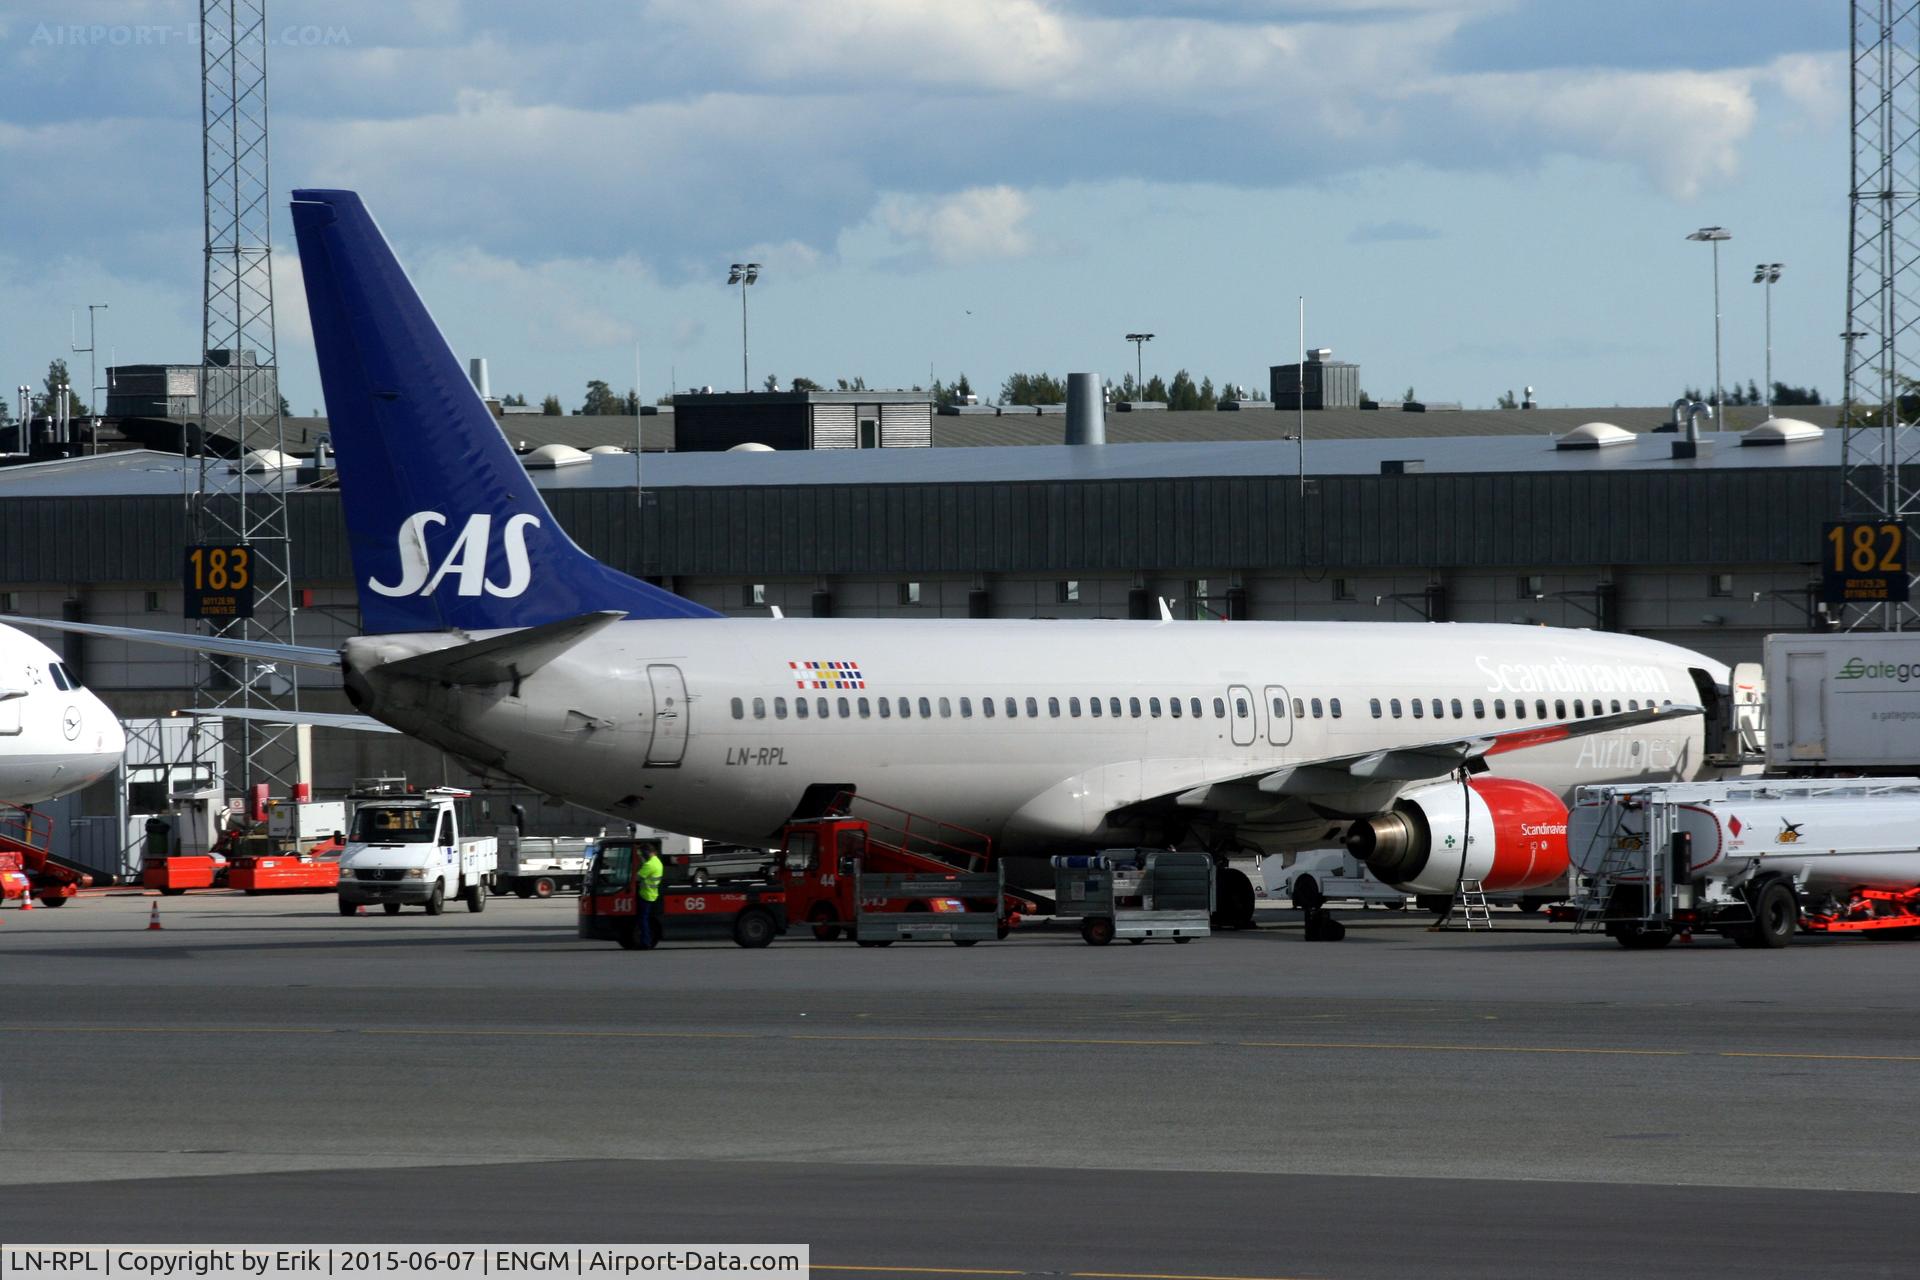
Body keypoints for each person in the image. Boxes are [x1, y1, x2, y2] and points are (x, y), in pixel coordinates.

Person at [636, 842, 665, 948]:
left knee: (643, 920)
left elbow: (637, 877)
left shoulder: (649, 864)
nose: (641, 855)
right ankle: (646, 940)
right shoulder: (657, 862)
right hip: (652, 894)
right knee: (645, 919)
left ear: (647, 852)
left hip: (645, 895)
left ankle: (646, 942)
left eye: (642, 853)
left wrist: (642, 861)